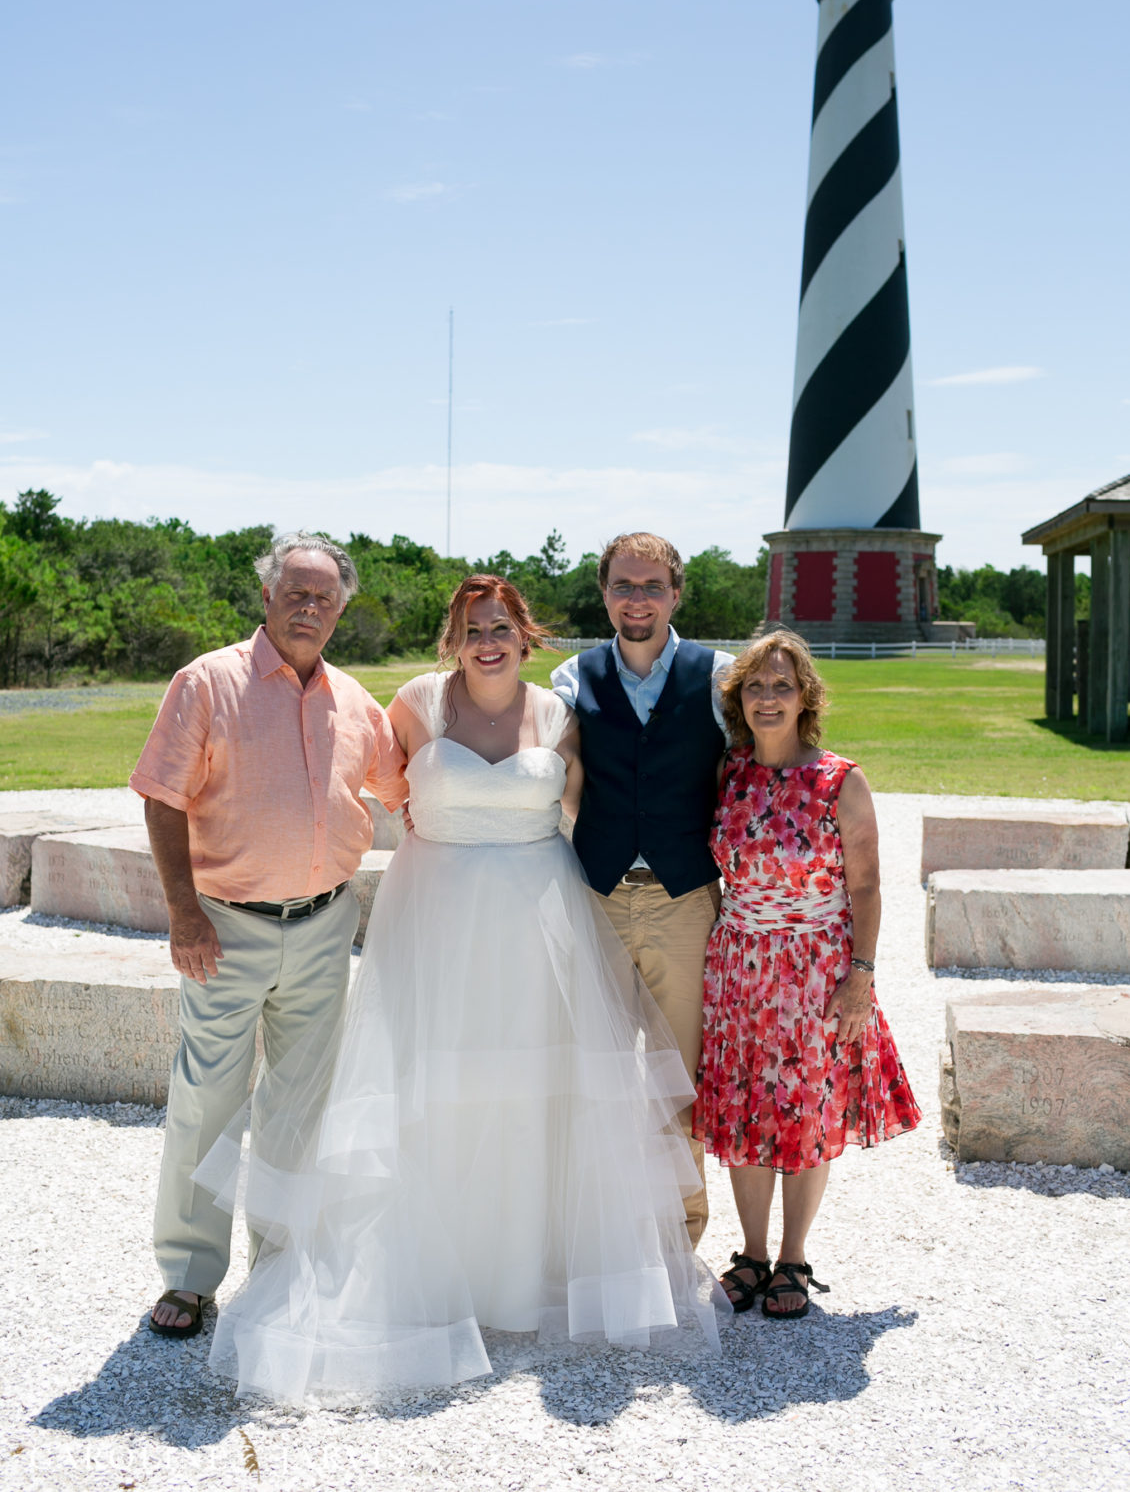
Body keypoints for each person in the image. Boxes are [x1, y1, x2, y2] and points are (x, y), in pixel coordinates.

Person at [196, 574, 722, 1404]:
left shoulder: (559, 715)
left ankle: (523, 1275)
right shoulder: (413, 704)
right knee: (432, 1087)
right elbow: (355, 776)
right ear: (454, 635)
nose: (488, 639)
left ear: (525, 634)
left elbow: (592, 807)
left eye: (502, 626)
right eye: (473, 626)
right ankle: (441, 1276)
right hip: (434, 916)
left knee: (532, 1092)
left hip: (536, 918)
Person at [132, 532, 407, 1339]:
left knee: (299, 1106)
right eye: (295, 591)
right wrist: (183, 912)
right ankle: (188, 1276)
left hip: (325, 926)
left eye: (323, 597)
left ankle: (280, 1269)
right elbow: (161, 798)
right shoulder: (208, 681)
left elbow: (404, 783)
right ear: (267, 596)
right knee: (206, 1102)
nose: (309, 606)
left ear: (342, 609)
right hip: (223, 926)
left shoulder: (356, 703)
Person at [693, 629, 921, 1320]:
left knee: (802, 1110)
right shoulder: (728, 772)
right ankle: (752, 1253)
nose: (768, 698)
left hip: (813, 968)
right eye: (756, 686)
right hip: (737, 965)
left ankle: (793, 1256)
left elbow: (869, 886)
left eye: (782, 685)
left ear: (805, 697)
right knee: (741, 1107)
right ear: (740, 698)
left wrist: (862, 974)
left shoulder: (838, 779)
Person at [551, 532, 733, 1247]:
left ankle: (678, 1233)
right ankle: (592, 1229)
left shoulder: (719, 677)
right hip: (592, 898)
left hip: (683, 900)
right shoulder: (571, 678)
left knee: (674, 1076)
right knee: (587, 1069)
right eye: (623, 585)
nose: (637, 599)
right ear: (604, 592)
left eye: (652, 585)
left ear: (676, 592)